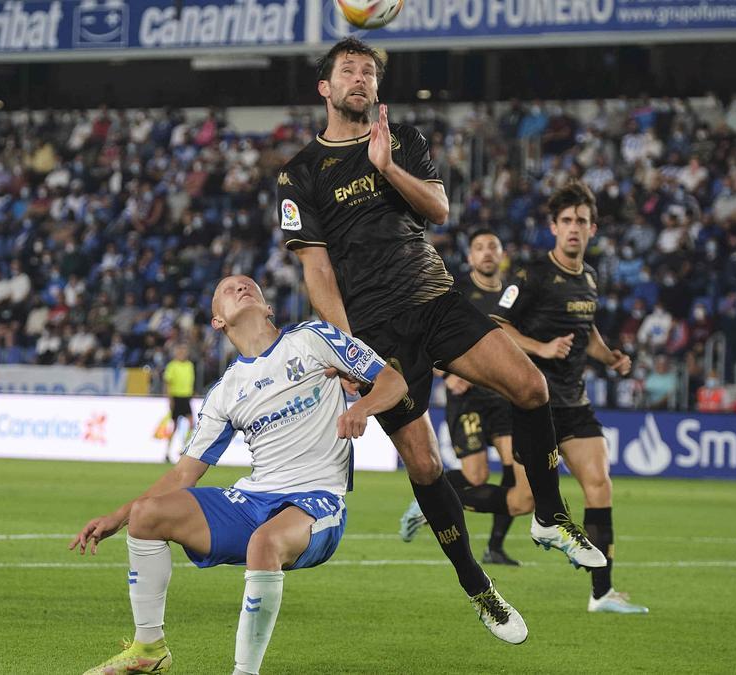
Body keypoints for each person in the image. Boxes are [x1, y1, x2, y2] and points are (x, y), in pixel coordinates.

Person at [279, 36, 605, 612]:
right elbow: (317, 269)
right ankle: (477, 584)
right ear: (325, 88)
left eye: (369, 72)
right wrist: (347, 349)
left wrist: (385, 167)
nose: (361, 78)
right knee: (426, 462)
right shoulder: (300, 172)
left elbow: (438, 209)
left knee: (532, 387)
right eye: (348, 70)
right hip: (376, 331)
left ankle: (551, 516)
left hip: (436, 298)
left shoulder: (401, 140)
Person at [72, 276, 527, 675]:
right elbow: (185, 473)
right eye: (228, 288)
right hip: (255, 497)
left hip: (317, 500)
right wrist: (119, 516)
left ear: (268, 306)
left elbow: (393, 381)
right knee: (150, 515)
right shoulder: (225, 390)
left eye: (249, 283)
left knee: (263, 544)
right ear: (218, 321)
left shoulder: (313, 337)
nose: (240, 286)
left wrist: (363, 408)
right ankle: (149, 648)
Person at [491, 181, 649, 614]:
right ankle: (439, 495)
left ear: (593, 229)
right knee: (522, 502)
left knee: (600, 486)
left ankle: (602, 594)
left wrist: (610, 356)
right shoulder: (532, 274)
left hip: (575, 405)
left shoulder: (591, 279)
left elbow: (588, 333)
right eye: (566, 221)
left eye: (581, 221)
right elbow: (495, 324)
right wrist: (540, 349)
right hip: (534, 405)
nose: (574, 228)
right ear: (554, 228)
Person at [399, 230, 521, 566]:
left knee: (517, 471)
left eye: (492, 247)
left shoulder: (513, 294)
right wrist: (447, 373)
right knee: (476, 476)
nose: (486, 253)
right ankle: (428, 502)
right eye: (479, 248)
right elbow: (427, 337)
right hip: (467, 398)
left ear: (502, 254)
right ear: (470, 258)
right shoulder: (456, 291)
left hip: (502, 395)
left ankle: (495, 546)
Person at [162, 343, 195, 463]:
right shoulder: (172, 365)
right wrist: (169, 399)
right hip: (176, 397)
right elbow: (167, 383)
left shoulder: (189, 365)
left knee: (191, 423)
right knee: (175, 426)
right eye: (180, 352)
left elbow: (190, 381)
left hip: (186, 397)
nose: (182, 354)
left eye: (184, 352)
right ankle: (167, 452)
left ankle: (184, 448)